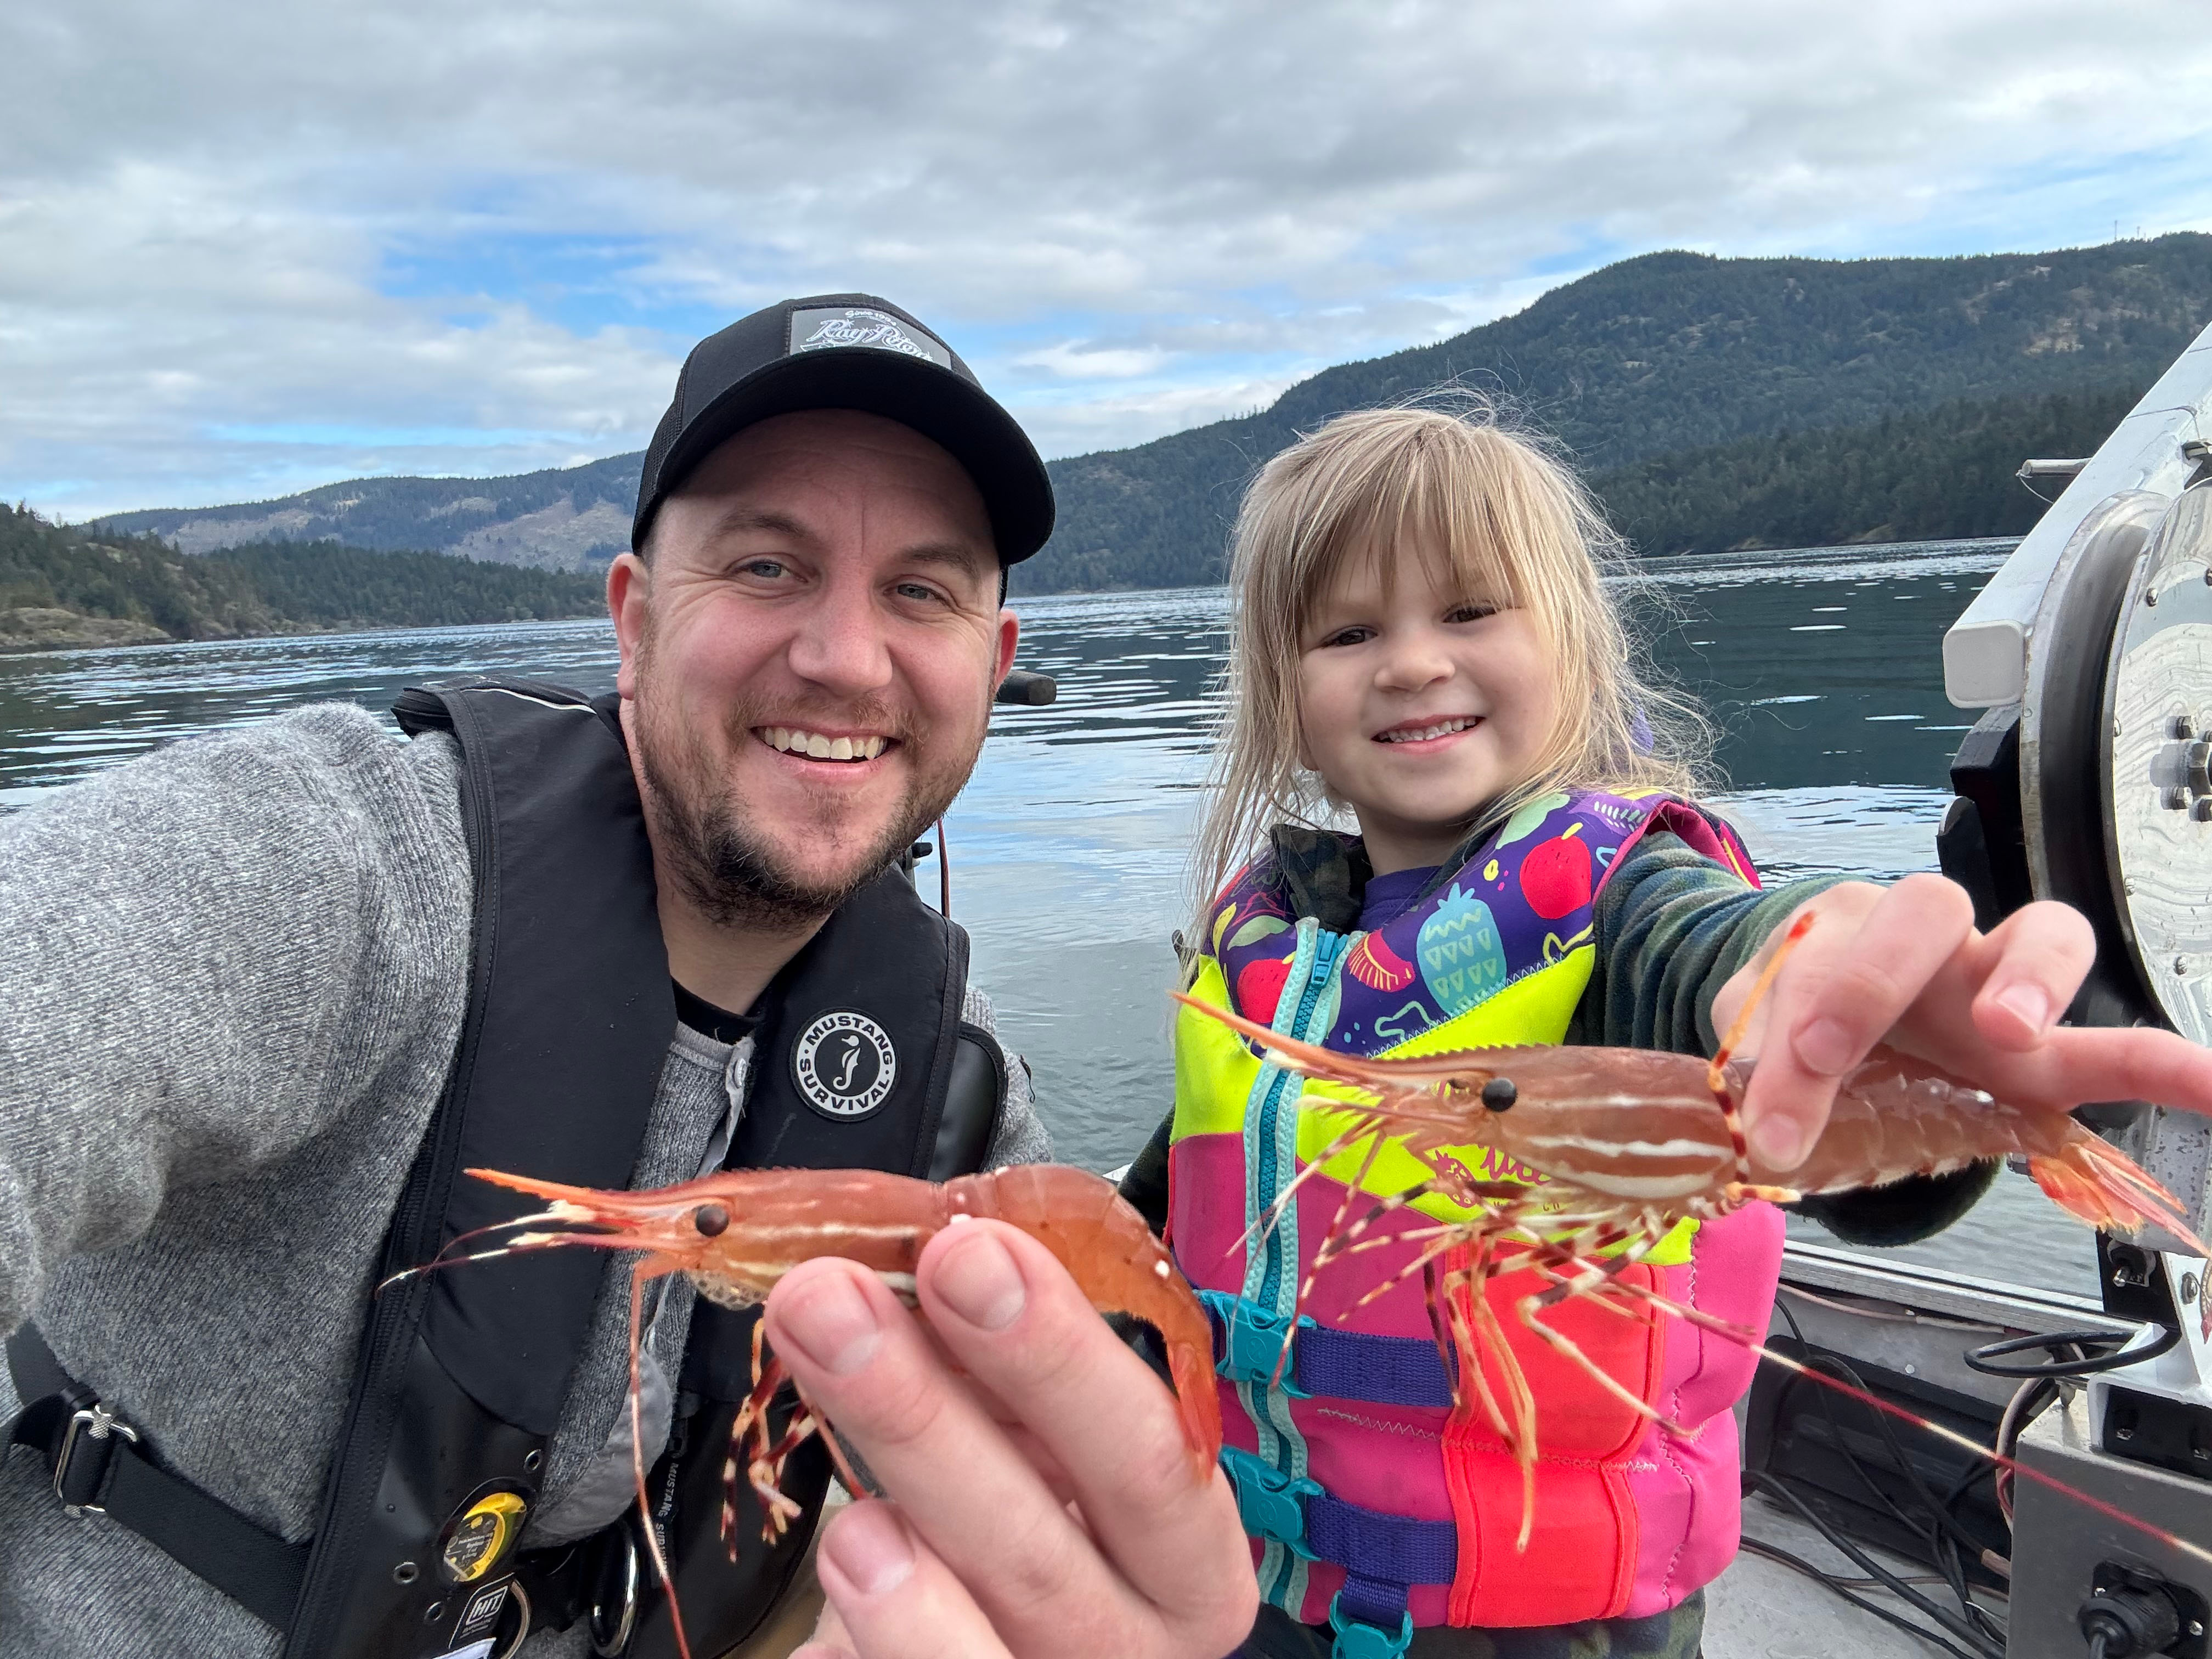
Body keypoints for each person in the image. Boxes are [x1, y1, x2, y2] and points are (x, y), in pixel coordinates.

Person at [0, 294, 1256, 1659]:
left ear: (993, 664)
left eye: (922, 589)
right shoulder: (342, 864)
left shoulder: (954, 1090)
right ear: (634, 619)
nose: (843, 658)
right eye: (767, 569)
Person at [1116, 404, 2212, 1659]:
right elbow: (1191, 1193)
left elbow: (1729, 950)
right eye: (1351, 632)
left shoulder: (1623, 901)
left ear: (1573, 649)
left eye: (1470, 613)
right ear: (1284, 694)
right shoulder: (1268, 942)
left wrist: (1831, 994)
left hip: (1554, 1620)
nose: (1412, 663)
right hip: (1260, 1581)